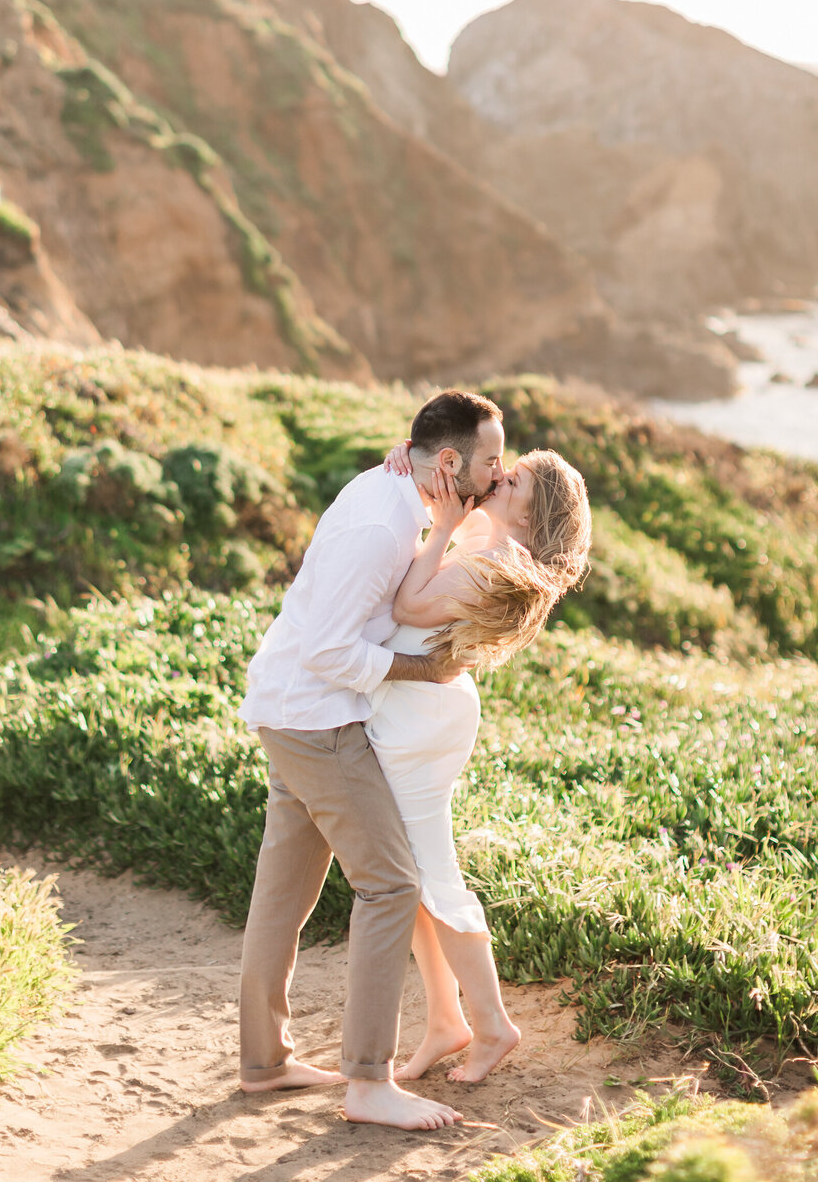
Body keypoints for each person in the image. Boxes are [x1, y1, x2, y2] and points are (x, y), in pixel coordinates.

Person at [235, 389, 507, 1131]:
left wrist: (443, 513)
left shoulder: (397, 492)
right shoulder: (380, 523)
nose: (498, 471)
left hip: (291, 708)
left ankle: (264, 1064)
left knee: (285, 891)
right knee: (392, 885)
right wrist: (416, 672)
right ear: (449, 461)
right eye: (491, 460)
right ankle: (369, 1083)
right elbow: (329, 650)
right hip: (316, 719)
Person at [368, 438, 591, 1083]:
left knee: (431, 872)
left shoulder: (501, 561)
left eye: (513, 480)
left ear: (530, 512)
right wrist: (412, 458)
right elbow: (442, 498)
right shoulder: (490, 538)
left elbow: (409, 607)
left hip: (423, 717)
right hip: (417, 706)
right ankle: (446, 1022)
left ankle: (492, 1024)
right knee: (407, 875)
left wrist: (441, 528)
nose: (499, 477)